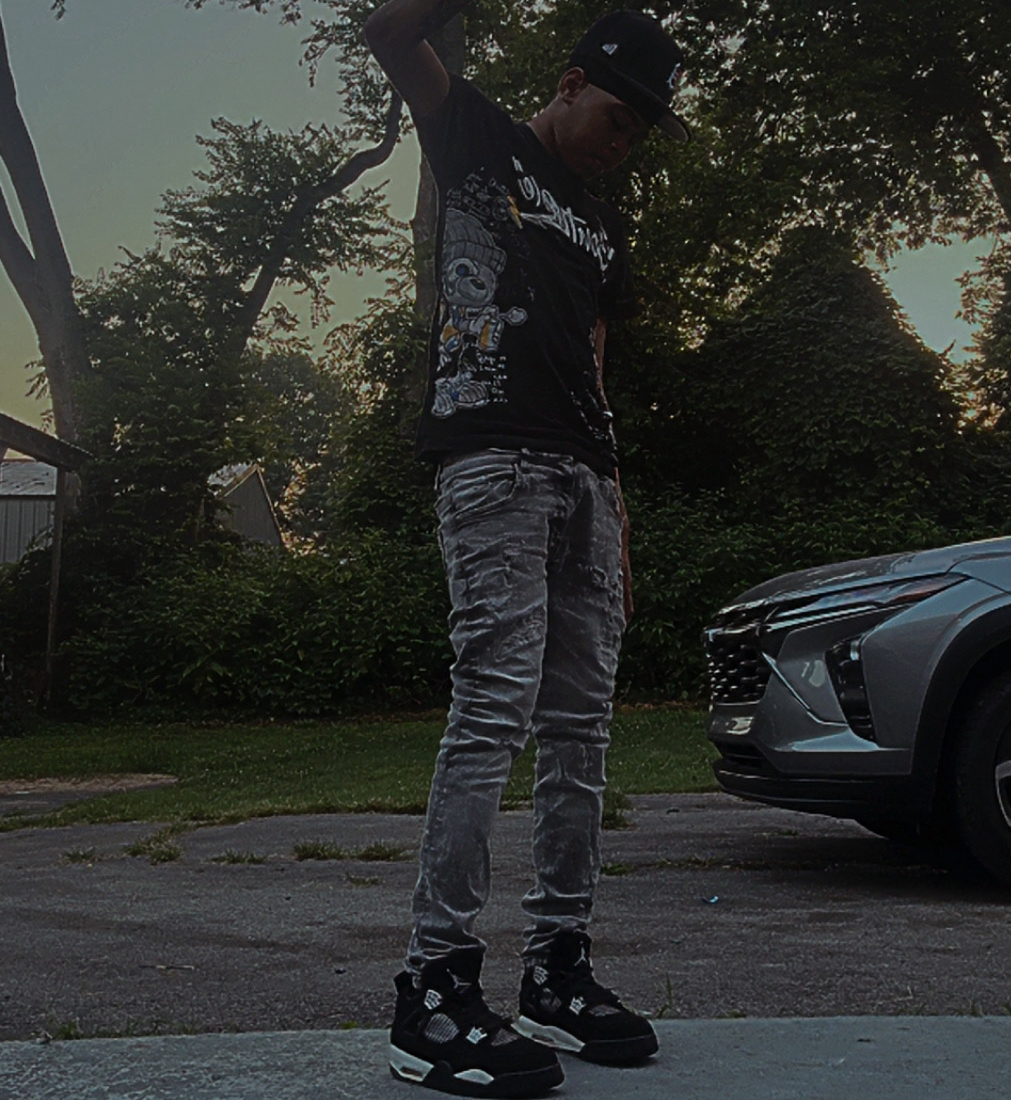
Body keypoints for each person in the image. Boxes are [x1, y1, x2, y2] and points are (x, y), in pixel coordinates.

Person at [363, 3, 688, 1095]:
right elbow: (387, 33)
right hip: (494, 459)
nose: (621, 141)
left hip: (584, 480)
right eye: (615, 117)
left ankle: (556, 970)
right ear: (569, 82)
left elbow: (593, 362)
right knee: (492, 710)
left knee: (580, 734)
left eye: (639, 131)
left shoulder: (601, 224)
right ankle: (433, 989)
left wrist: (617, 508)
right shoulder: (476, 136)